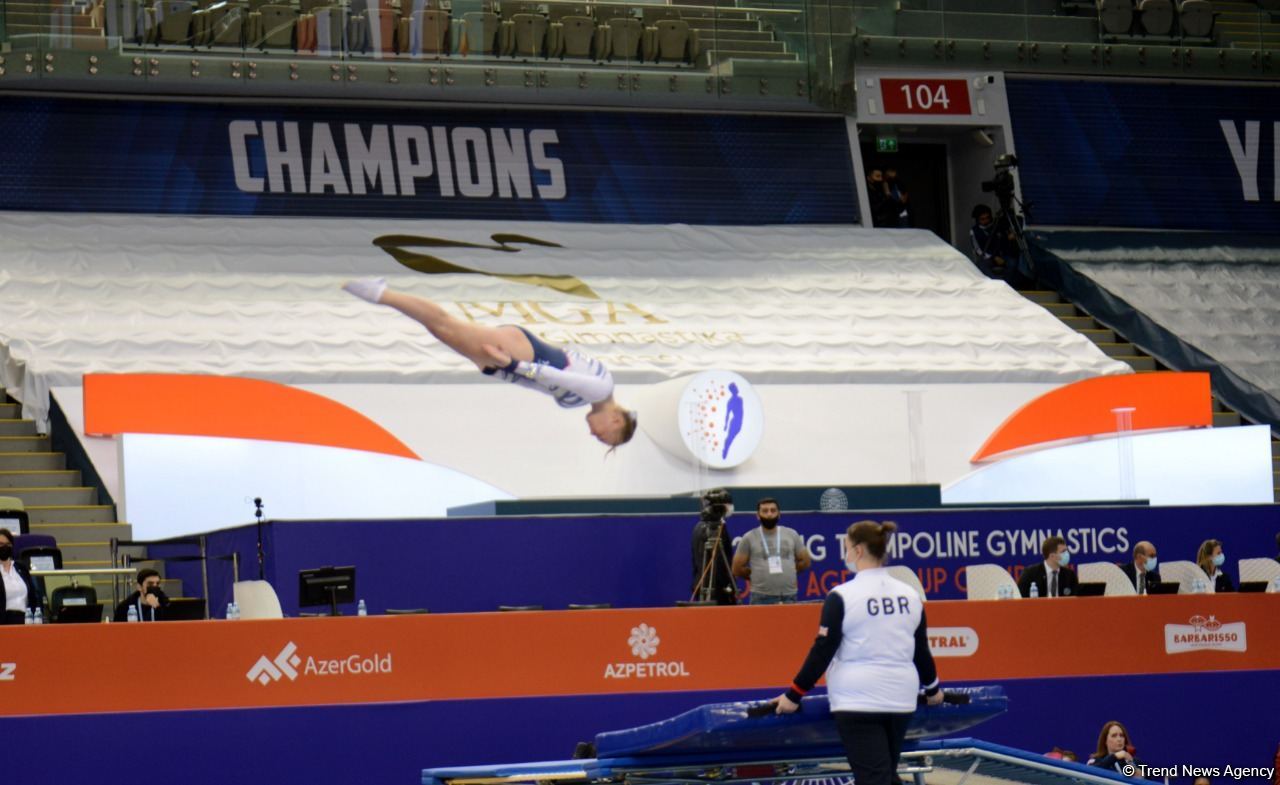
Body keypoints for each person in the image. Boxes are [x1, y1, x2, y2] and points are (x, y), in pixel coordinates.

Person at [342, 278, 637, 448]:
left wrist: (500, 373)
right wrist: (511, 365)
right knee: (445, 324)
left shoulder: (576, 402)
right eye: (604, 436)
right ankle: (379, 292)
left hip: (518, 358)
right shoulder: (601, 389)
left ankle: (380, 293)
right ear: (616, 420)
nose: (594, 434)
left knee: (441, 328)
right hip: (525, 353)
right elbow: (556, 376)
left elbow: (541, 384)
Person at [772, 521, 943, 785]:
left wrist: (794, 693)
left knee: (875, 778)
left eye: (847, 548)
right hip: (901, 699)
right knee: (884, 774)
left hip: (859, 699)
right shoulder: (910, 595)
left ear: (859, 551)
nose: (846, 555)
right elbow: (920, 649)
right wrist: (933, 689)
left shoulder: (842, 595)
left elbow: (824, 648)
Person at [731, 498, 811, 604]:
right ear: (758, 515)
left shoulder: (792, 534)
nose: (769, 514)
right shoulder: (749, 537)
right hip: (761, 597)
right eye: (765, 511)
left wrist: (790, 570)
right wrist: (755, 575)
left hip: (789, 596)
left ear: (779, 514)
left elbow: (805, 561)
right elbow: (737, 568)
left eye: (773, 510)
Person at [691, 488, 737, 605]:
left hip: (706, 583)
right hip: (715, 588)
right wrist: (728, 585)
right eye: (727, 505)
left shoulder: (702, 526)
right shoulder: (710, 529)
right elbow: (717, 561)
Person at [0, 528, 40, 625]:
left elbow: (33, 595)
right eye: (1, 544)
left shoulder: (21, 568)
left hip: (26, 619)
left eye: (7, 544)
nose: (4, 547)